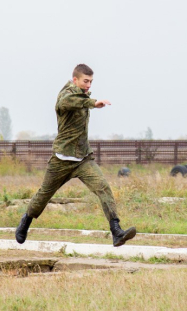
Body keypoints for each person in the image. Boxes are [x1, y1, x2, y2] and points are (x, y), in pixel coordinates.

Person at [15, 64, 136, 246]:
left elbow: (81, 101)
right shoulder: (66, 95)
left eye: (91, 82)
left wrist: (89, 101)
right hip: (61, 159)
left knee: (103, 188)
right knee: (44, 195)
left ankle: (116, 231)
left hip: (83, 159)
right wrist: (93, 103)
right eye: (85, 81)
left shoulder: (83, 96)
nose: (89, 85)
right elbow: (67, 102)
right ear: (75, 80)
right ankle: (26, 220)